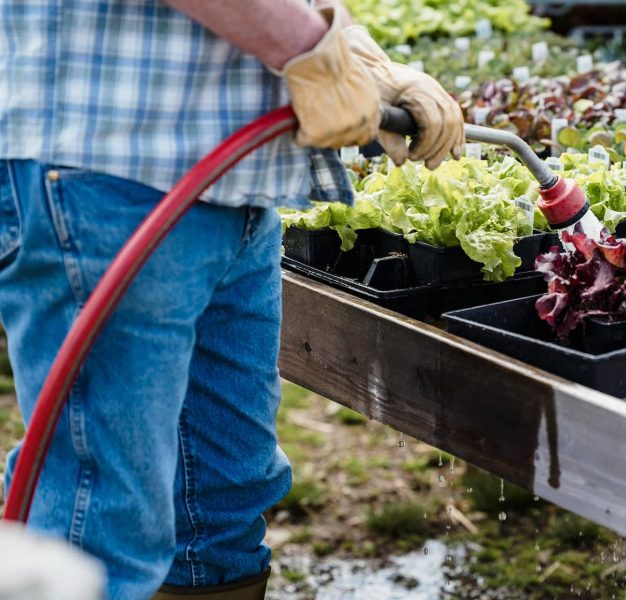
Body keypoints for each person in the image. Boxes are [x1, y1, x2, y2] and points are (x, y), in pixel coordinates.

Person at [0, 1, 464, 598]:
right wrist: (315, 54)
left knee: (218, 506)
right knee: (98, 525)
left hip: (232, 181)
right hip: (110, 171)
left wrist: (361, 55)